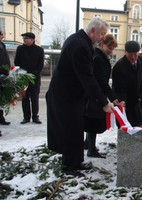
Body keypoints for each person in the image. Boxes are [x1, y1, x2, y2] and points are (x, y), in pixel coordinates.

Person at [46, 17, 115, 177]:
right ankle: (69, 167)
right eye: (102, 33)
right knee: (70, 130)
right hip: (66, 97)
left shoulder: (80, 40)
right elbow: (88, 78)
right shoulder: (80, 45)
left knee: (77, 129)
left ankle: (76, 162)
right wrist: (103, 102)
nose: (103, 38)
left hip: (72, 96)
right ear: (92, 30)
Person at [84, 34, 119, 158]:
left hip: (95, 94)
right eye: (109, 47)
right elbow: (101, 81)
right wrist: (112, 97)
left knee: (91, 120)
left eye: (112, 48)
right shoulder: (98, 58)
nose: (111, 51)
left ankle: (88, 144)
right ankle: (91, 149)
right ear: (101, 44)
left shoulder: (100, 56)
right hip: (96, 95)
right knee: (93, 121)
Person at [112, 41, 142, 127]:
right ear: (125, 52)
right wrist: (122, 100)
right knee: (125, 127)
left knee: (138, 125)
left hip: (137, 101)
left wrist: (140, 95)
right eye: (130, 54)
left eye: (135, 54)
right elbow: (119, 87)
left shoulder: (141, 61)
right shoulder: (119, 67)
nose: (133, 57)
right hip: (125, 103)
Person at [14, 32, 44, 124]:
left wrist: (32, 73)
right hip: (23, 78)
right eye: (24, 38)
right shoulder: (20, 49)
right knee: (25, 98)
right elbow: (16, 62)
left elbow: (40, 65)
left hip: (34, 78)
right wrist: (23, 72)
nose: (24, 40)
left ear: (32, 39)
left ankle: (35, 117)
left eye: (26, 38)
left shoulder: (39, 50)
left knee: (35, 98)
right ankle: (26, 117)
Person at [0, 29, 11, 126]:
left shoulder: (2, 45)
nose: (3, 36)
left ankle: (1, 118)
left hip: (3, 75)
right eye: (2, 34)